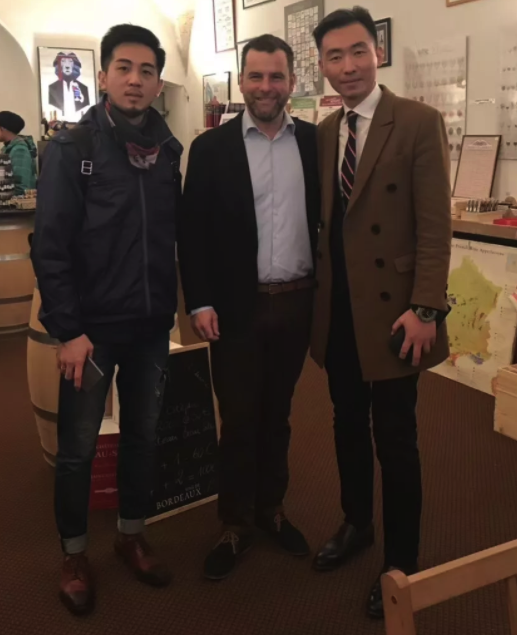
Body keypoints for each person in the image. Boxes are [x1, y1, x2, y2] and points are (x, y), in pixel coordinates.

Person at [31, 24, 183, 616]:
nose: (135, 80)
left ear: (158, 82)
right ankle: (74, 554)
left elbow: (171, 236)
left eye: (147, 71)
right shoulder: (73, 149)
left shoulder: (168, 150)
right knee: (78, 447)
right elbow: (50, 247)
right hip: (90, 333)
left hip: (149, 325)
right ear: (102, 76)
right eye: (124, 67)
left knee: (144, 436)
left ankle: (131, 535)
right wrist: (67, 331)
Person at [309, 7, 452, 618]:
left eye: (358, 52)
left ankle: (401, 562)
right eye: (335, 56)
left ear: (377, 53)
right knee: (345, 422)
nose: (348, 66)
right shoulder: (324, 131)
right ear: (322, 65)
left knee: (396, 437)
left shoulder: (417, 121)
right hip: (339, 309)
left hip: (398, 314)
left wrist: (426, 308)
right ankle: (356, 523)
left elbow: (435, 226)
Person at [178, 34, 321, 581]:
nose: (266, 87)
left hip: (297, 304)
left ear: (292, 82)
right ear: (241, 82)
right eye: (256, 76)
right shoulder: (210, 149)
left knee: (278, 414)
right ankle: (235, 523)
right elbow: (193, 232)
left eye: (276, 76)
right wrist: (200, 300)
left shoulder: (314, 143)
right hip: (235, 308)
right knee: (239, 418)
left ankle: (271, 509)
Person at [0, 111, 37, 195]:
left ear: (3, 128)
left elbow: (21, 187)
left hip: (17, 202)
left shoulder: (19, 150)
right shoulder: (8, 149)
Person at [48, 51, 92, 119]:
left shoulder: (84, 88)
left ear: (74, 65)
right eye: (63, 61)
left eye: (70, 61)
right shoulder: (52, 88)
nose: (67, 66)